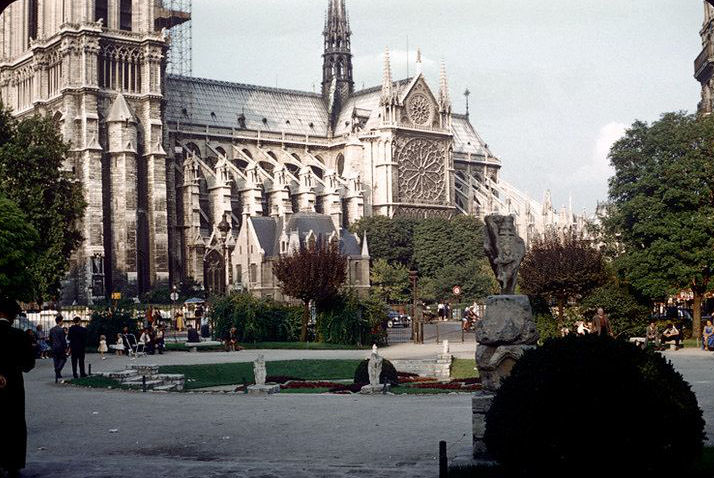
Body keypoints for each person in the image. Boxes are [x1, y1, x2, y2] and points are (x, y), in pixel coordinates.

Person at [0, 298, 36, 478]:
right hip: (13, 383)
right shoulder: (19, 336)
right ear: (13, 316)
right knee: (14, 421)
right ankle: (13, 463)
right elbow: (29, 364)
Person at [49, 315, 68, 382]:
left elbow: (50, 339)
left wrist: (51, 345)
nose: (62, 322)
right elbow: (63, 340)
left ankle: (58, 373)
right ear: (60, 321)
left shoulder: (51, 330)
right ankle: (58, 369)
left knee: (56, 359)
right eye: (62, 321)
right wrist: (65, 347)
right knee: (63, 359)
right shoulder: (61, 330)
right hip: (60, 347)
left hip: (54, 346)